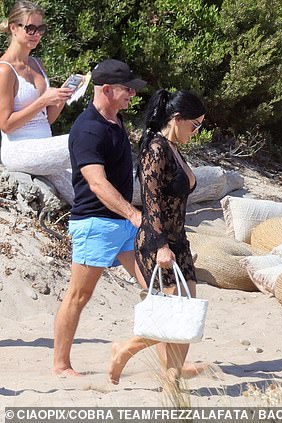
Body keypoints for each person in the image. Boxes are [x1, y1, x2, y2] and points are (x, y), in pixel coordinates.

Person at [52, 59, 146, 376]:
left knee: (157, 288)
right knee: (79, 296)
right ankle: (61, 364)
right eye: (127, 89)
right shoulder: (88, 128)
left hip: (121, 226)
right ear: (106, 89)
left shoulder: (116, 122)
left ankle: (169, 361)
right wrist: (134, 214)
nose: (132, 94)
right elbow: (96, 182)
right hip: (95, 223)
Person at [108, 89, 207, 386]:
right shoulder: (155, 148)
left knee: (186, 315)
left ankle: (172, 381)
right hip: (156, 240)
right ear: (177, 119)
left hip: (179, 241)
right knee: (172, 315)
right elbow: (150, 202)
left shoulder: (175, 147)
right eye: (195, 124)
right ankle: (124, 350)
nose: (197, 131)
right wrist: (161, 246)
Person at [0, 1, 74, 203]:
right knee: (82, 138)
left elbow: (46, 120)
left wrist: (59, 100)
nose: (37, 34)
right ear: (13, 28)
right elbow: (6, 125)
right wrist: (43, 101)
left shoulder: (37, 64)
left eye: (40, 29)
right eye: (30, 28)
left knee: (85, 190)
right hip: (18, 149)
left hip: (43, 147)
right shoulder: (4, 70)